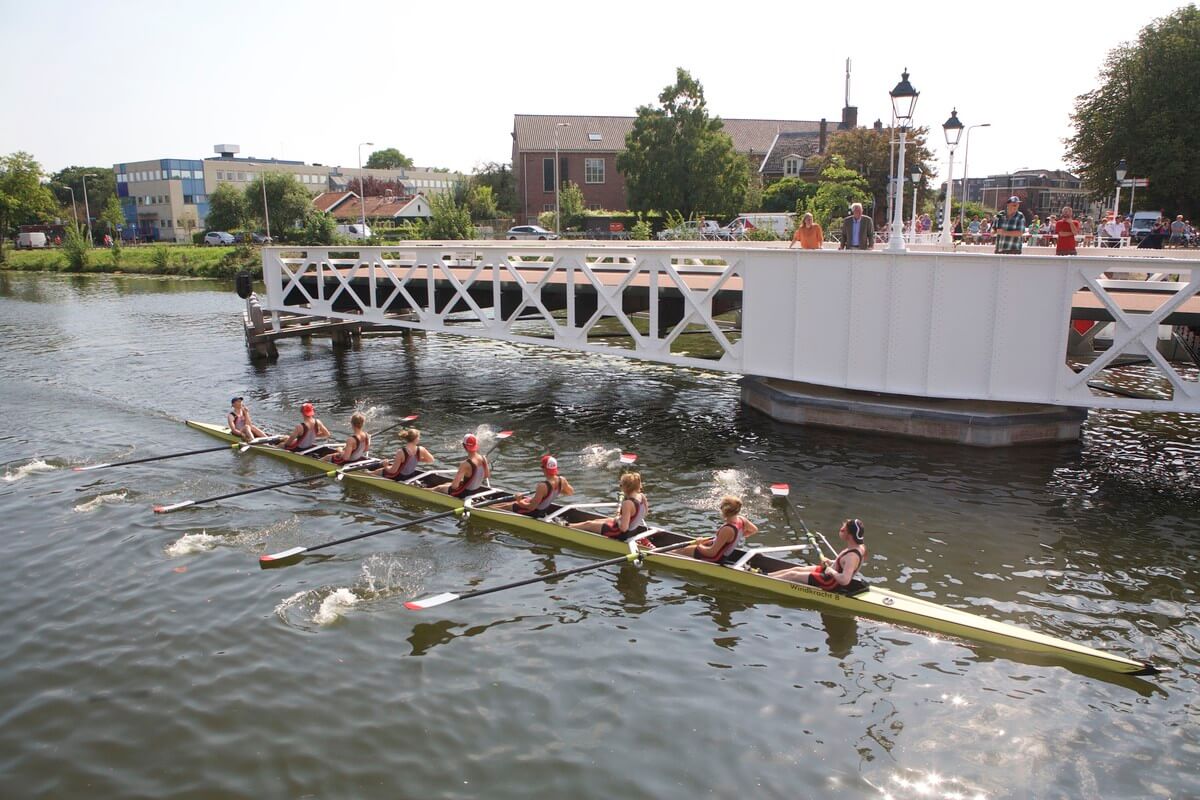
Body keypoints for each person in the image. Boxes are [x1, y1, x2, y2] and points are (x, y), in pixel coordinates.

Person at [770, 518, 867, 590]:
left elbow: (845, 580)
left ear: (849, 535)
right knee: (797, 569)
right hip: (829, 573)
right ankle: (766, 575)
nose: (840, 530)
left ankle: (761, 580)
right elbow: (846, 565)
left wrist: (832, 571)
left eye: (842, 530)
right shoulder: (860, 547)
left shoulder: (852, 556)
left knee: (792, 575)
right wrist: (831, 561)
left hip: (829, 582)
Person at [670, 495, 759, 562]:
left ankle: (663, 555)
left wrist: (699, 544)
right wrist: (740, 536)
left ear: (724, 510)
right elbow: (754, 530)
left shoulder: (727, 529)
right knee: (686, 548)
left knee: (683, 550)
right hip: (723, 553)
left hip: (716, 558)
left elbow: (711, 553)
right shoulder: (742, 520)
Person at [569, 471, 649, 538]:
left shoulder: (627, 504)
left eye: (621, 485)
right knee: (596, 520)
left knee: (588, 524)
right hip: (633, 531)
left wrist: (618, 519)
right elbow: (644, 513)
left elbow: (624, 529)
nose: (620, 488)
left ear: (626, 487)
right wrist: (622, 518)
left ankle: (566, 527)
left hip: (621, 534)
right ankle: (569, 525)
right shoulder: (642, 496)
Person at [494, 455, 575, 518]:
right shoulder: (562, 480)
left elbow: (531, 508)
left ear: (544, 468)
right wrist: (556, 490)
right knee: (515, 502)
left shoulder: (542, 486)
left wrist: (519, 501)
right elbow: (570, 492)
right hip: (543, 510)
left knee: (509, 506)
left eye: (541, 466)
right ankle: (489, 506)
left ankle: (485, 509)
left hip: (534, 513)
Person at [431, 433, 491, 497]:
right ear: (476, 445)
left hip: (464, 493)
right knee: (447, 484)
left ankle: (422, 491)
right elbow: (486, 475)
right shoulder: (484, 458)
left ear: (464, 446)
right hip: (475, 491)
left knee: (439, 488)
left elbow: (454, 486)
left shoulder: (465, 464)